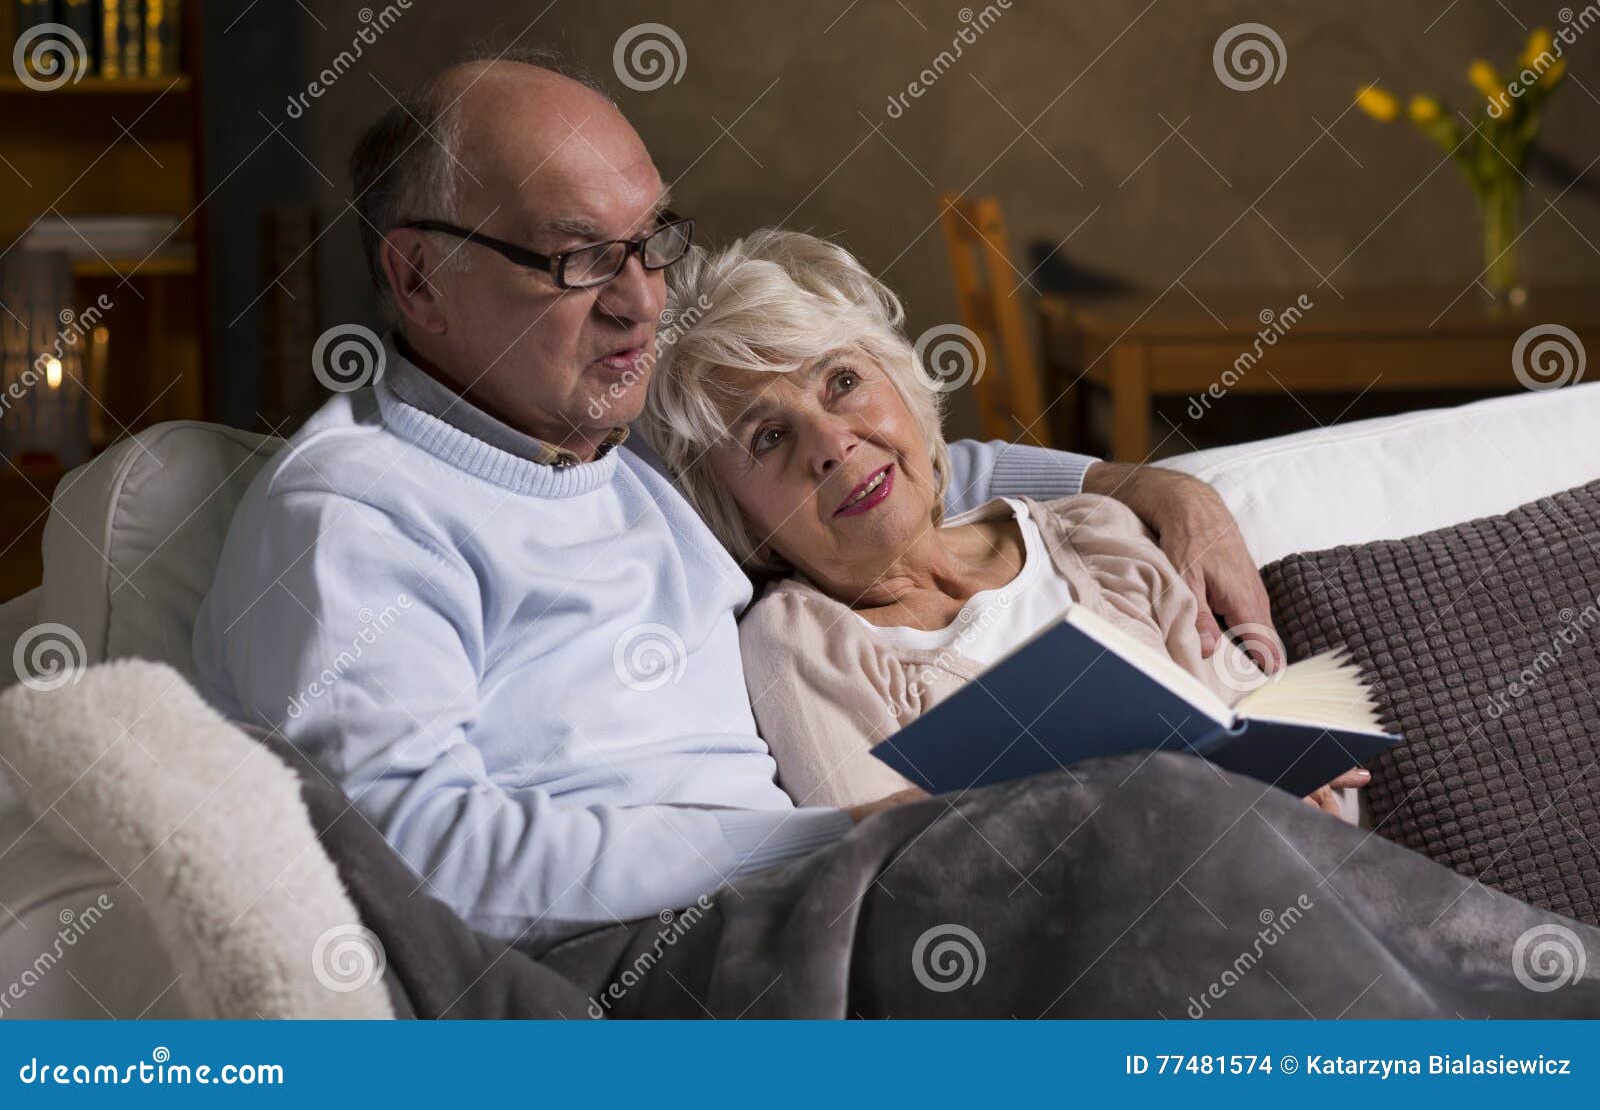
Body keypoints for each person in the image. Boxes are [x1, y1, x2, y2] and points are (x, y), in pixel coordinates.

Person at [191, 48, 1286, 952]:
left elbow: (903, 470)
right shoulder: (352, 515)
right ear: (419, 277)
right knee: (1167, 846)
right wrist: (829, 839)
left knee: (1197, 850)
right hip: (617, 966)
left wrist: (1147, 485)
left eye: (652, 243)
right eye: (579, 260)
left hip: (801, 912)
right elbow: (414, 853)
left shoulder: (617, 455)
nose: (639, 303)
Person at [638, 228, 1366, 815]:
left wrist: (1298, 779)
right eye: (769, 438)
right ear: (743, 522)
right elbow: (885, 878)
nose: (831, 445)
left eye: (843, 382)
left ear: (905, 386)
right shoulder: (800, 643)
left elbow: (1286, 750)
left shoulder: (1096, 535)